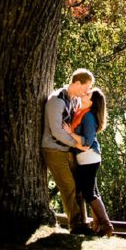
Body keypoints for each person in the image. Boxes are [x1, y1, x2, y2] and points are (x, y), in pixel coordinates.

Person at [41, 68, 94, 234]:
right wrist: (77, 144)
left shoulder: (75, 101)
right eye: (86, 87)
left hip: (69, 149)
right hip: (53, 149)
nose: (87, 91)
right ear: (77, 83)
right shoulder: (56, 100)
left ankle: (84, 223)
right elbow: (57, 131)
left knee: (78, 186)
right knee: (68, 186)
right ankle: (76, 225)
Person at [64, 86, 113, 236]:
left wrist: (70, 133)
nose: (84, 93)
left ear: (92, 102)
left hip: (89, 158)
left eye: (88, 94)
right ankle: (97, 225)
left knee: (88, 192)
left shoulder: (88, 117)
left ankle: (107, 225)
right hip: (85, 158)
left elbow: (88, 142)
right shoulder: (80, 112)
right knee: (92, 191)